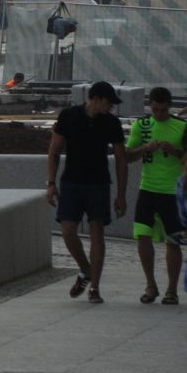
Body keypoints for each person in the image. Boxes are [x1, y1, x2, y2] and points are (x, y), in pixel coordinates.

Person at [47, 82, 129, 304]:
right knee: (67, 230)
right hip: (71, 181)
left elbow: (122, 159)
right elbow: (54, 150)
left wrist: (121, 194)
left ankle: (94, 287)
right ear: (98, 99)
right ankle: (86, 268)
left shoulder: (111, 123)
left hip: (99, 183)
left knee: (97, 232)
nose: (111, 108)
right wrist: (51, 183)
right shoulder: (69, 116)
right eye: (110, 103)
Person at [125, 87, 187, 305]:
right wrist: (145, 149)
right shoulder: (141, 126)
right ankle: (150, 285)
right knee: (143, 236)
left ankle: (172, 290)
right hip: (148, 189)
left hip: (172, 192)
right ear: (149, 106)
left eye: (162, 110)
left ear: (169, 107)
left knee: (173, 241)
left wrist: (175, 151)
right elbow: (127, 156)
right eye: (154, 109)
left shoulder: (182, 127)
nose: (158, 114)